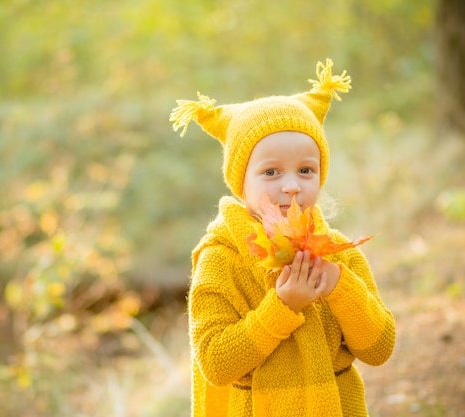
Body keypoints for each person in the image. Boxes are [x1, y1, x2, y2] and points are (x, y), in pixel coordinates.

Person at [169, 59, 396, 417]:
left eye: (306, 170)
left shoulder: (338, 255)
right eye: (271, 171)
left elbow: (379, 349)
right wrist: (282, 307)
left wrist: (340, 287)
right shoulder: (222, 258)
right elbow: (215, 364)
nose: (291, 185)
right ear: (241, 182)